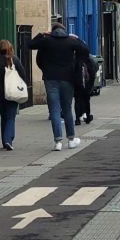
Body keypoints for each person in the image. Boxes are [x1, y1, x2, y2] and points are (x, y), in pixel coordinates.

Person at [29, 23, 89, 151]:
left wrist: (42, 34)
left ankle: (58, 142)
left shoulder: (46, 41)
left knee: (55, 111)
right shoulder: (71, 41)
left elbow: (30, 45)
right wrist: (75, 38)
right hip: (67, 79)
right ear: (64, 30)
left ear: (52, 31)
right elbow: (85, 49)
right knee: (67, 109)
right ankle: (71, 139)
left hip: (50, 79)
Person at [0, 40, 26, 151]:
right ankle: (8, 139)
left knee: (4, 116)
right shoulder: (14, 60)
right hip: (12, 91)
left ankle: (5, 141)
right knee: (10, 117)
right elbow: (23, 74)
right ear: (10, 48)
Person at [73, 45, 98, 126]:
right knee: (86, 100)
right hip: (87, 84)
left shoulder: (75, 59)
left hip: (77, 83)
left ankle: (77, 119)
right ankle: (87, 116)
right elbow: (94, 70)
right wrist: (91, 85)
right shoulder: (90, 59)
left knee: (77, 100)